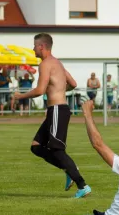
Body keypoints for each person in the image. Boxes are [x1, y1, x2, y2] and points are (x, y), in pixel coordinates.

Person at [13, 33, 91, 198]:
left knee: (56, 150)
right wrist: (59, 91)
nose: (33, 49)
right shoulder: (58, 63)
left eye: (34, 46)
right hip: (55, 110)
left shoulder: (46, 64)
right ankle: (68, 169)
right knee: (36, 146)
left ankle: (82, 185)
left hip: (57, 110)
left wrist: (20, 96)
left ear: (41, 46)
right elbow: (73, 84)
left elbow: (40, 90)